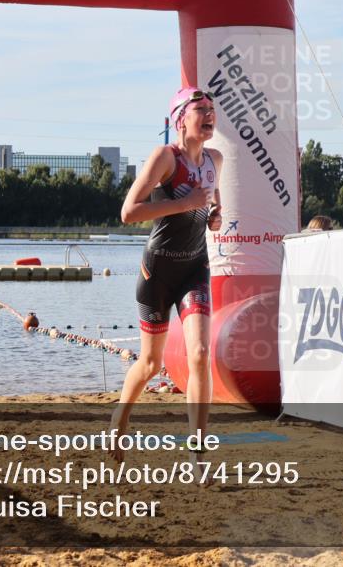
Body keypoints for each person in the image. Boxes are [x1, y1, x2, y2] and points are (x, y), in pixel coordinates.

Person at [110, 86, 223, 463]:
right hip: (157, 270)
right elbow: (128, 213)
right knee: (151, 364)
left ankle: (198, 452)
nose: (209, 114)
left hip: (195, 267)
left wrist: (214, 216)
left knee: (201, 354)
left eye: (211, 108)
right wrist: (184, 204)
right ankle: (120, 417)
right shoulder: (164, 157)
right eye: (200, 109)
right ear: (180, 119)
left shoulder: (215, 159)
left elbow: (211, 203)